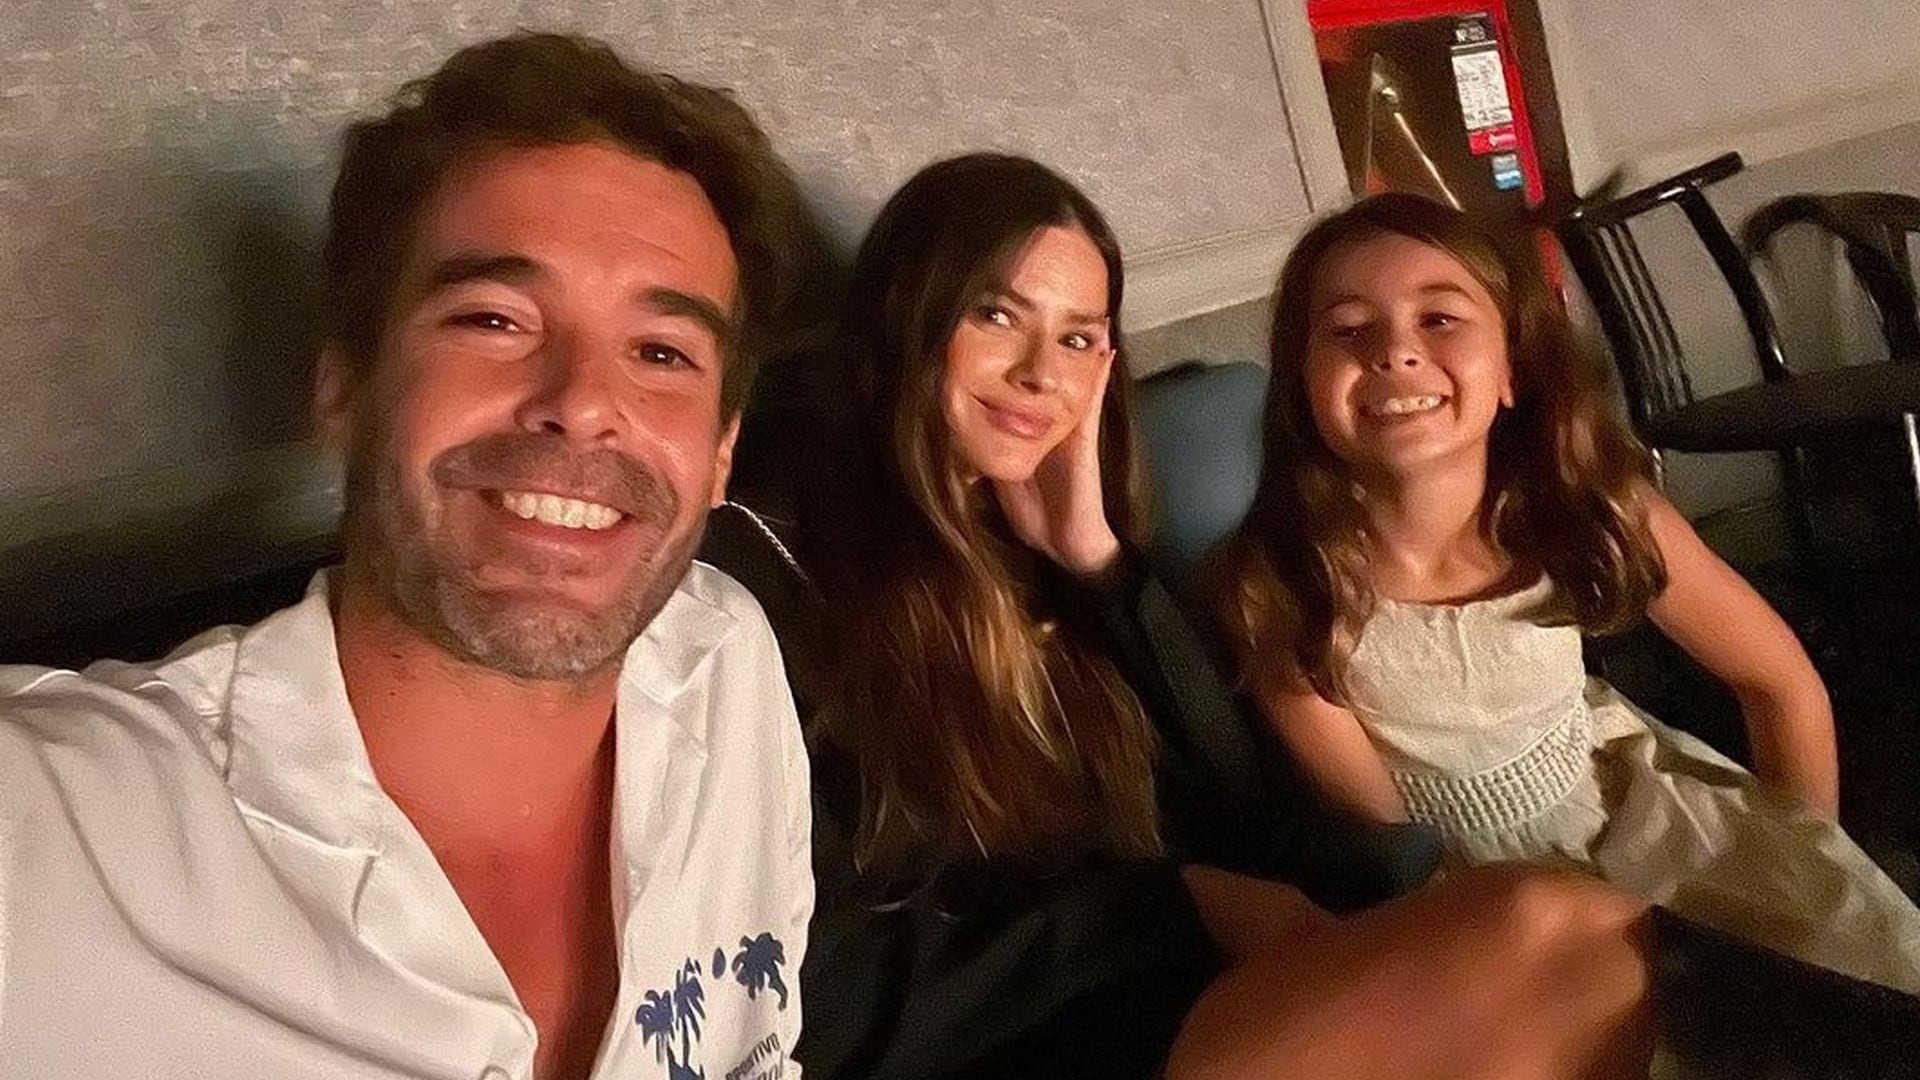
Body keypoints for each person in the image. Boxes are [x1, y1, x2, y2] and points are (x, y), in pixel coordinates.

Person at [0, 33, 830, 1080]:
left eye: (661, 352)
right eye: (494, 319)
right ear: (344, 392)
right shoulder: (51, 832)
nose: (582, 402)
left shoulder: (727, 663)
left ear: (720, 456)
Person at [788, 153, 1657, 1080]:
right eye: (997, 316)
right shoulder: (787, 575)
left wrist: (1101, 567)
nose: (1043, 374)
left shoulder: (1030, 541)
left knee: (1586, 967)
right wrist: (1172, 906)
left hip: (1174, 987)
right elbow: (821, 989)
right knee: (1547, 930)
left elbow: (1234, 803)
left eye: (1078, 339)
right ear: (909, 313)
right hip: (1045, 1037)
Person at [1217, 192, 1920, 993]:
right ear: (1303, 385)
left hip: (1650, 827)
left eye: (1439, 318)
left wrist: (1803, 864)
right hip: (1462, 902)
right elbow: (1393, 850)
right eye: (1348, 330)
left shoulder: (1597, 515)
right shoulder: (1282, 589)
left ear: (1512, 369)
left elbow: (1780, 684)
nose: (1395, 352)